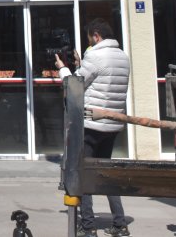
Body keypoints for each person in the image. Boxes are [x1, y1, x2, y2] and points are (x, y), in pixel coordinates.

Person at [56, 19, 131, 237]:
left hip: (91, 123)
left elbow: (73, 85)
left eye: (90, 38)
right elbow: (99, 82)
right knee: (106, 174)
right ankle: (120, 223)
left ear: (96, 36)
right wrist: (81, 65)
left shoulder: (96, 56)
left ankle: (87, 226)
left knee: (84, 172)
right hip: (112, 124)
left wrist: (63, 69)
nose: (90, 42)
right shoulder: (122, 57)